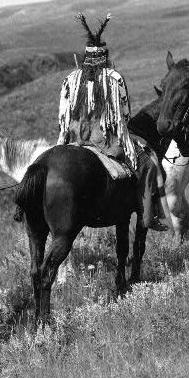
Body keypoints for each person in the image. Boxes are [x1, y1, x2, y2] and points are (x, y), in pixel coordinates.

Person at [57, 14, 170, 231]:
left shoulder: (70, 79)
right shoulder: (113, 78)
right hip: (104, 138)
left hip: (74, 135)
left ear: (86, 57)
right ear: (105, 56)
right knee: (147, 164)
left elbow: (63, 116)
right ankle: (149, 216)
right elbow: (124, 116)